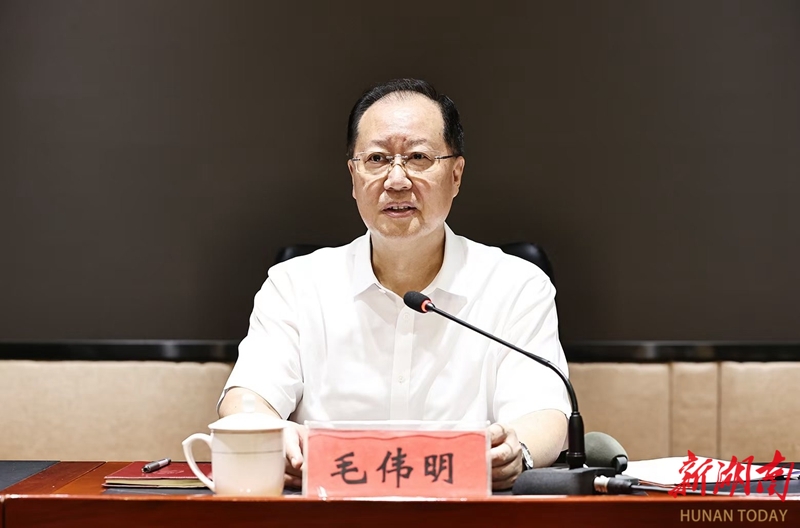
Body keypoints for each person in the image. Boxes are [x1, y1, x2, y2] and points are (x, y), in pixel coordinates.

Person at [218, 78, 570, 490]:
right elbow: (247, 397)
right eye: (377, 159)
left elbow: (544, 412)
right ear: (353, 176)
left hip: (466, 511)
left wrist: (517, 449)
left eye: (418, 157)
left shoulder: (516, 285)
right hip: (327, 512)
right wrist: (267, 431)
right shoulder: (295, 284)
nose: (397, 180)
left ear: (456, 175)